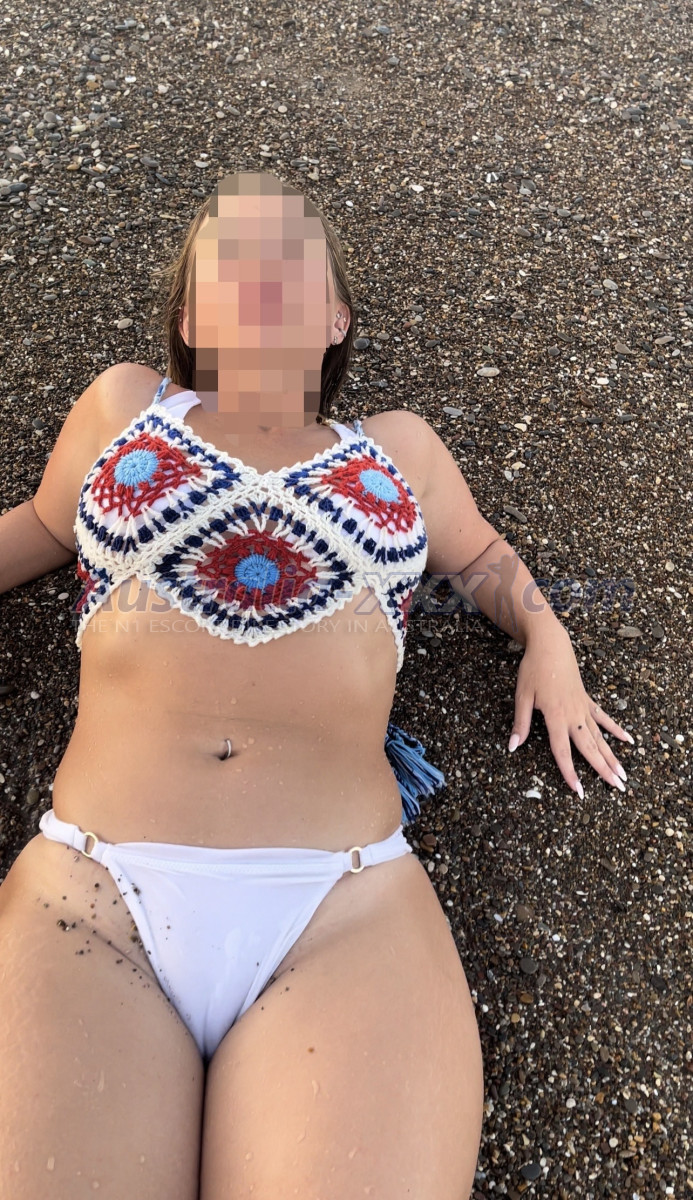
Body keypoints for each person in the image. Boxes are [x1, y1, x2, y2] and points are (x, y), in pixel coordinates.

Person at [0, 170, 633, 1199]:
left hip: (343, 906)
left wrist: (546, 638)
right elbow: (38, 525)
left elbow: (483, 561)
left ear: (335, 318)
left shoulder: (396, 449)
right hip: (92, 889)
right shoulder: (127, 406)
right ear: (191, 319)